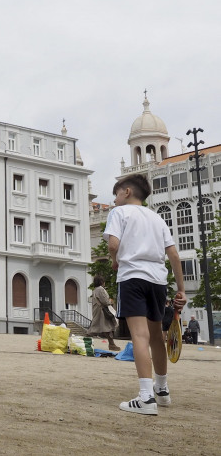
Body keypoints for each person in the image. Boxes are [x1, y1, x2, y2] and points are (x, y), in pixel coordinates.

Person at [105, 173, 186, 416]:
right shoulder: (157, 218)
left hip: (133, 278)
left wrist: (115, 261)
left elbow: (112, 244)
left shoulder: (119, 213)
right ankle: (161, 390)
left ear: (126, 192)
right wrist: (180, 289)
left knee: (138, 336)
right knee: (155, 338)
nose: (115, 200)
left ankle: (145, 397)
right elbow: (173, 254)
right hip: (157, 281)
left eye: (116, 194)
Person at [87, 276, 120, 351]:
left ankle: (111, 344)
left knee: (102, 327)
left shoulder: (95, 290)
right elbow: (105, 301)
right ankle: (111, 344)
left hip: (99, 311)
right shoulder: (100, 289)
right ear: (101, 282)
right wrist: (110, 301)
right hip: (102, 311)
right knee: (106, 327)